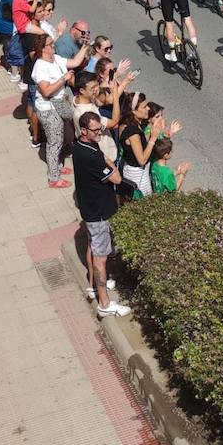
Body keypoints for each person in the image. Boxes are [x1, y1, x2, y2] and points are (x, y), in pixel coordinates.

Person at [72, 111, 130, 316]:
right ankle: (105, 303)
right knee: (101, 257)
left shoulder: (80, 145)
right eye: (96, 131)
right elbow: (116, 179)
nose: (100, 133)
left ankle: (92, 286)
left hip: (90, 209)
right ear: (84, 130)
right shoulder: (91, 155)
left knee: (93, 247)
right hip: (99, 213)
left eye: (100, 129)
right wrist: (111, 164)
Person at [31, 33, 87, 188]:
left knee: (60, 138)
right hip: (48, 108)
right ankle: (53, 178)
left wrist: (85, 47)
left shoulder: (55, 58)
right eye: (50, 44)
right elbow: (46, 91)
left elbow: (75, 62)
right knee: (54, 142)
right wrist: (64, 78)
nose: (53, 45)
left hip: (59, 104)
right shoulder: (40, 67)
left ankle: (58, 167)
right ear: (43, 48)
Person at [118, 92, 165, 198]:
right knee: (145, 200)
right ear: (134, 111)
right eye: (144, 107)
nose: (148, 108)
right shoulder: (132, 131)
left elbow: (141, 144)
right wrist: (153, 138)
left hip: (137, 171)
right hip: (138, 175)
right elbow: (142, 160)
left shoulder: (135, 124)